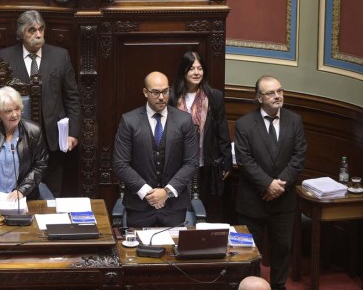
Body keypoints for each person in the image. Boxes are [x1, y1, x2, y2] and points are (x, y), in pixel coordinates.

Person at [234, 75, 307, 290]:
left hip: (283, 200)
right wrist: (267, 185)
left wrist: (278, 186)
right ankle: (252, 286)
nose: (277, 96)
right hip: (252, 201)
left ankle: (278, 286)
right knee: (249, 251)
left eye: (279, 91)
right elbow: (244, 161)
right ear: (259, 98)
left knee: (283, 248)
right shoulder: (244, 124)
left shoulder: (295, 120)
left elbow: (299, 157)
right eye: (270, 93)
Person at [0, 10, 81, 197]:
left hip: (53, 139)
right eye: (32, 30)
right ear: (21, 33)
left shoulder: (60, 56)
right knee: (22, 194)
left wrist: (73, 133)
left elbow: (72, 97)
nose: (38, 34)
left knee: (52, 195)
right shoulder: (5, 57)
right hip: (19, 139)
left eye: (41, 29)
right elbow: (1, 99)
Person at [113, 71, 199, 227]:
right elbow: (120, 164)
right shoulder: (129, 121)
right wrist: (148, 193)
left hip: (174, 207)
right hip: (139, 207)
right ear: (145, 92)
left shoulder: (184, 121)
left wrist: (166, 192)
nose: (161, 97)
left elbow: (191, 163)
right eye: (156, 92)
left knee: (173, 250)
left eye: (165, 91)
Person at [169, 51, 232, 223]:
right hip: (176, 164)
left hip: (205, 163)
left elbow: (222, 130)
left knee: (202, 209)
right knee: (177, 209)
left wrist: (226, 162)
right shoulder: (172, 96)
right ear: (183, 71)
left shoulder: (214, 96)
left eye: (200, 68)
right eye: (191, 69)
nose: (196, 72)